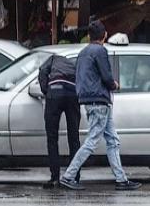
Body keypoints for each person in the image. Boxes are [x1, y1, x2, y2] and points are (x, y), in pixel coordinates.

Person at [58, 21, 141, 191]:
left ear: (89, 36)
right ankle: (68, 175)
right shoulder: (100, 51)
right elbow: (106, 76)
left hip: (91, 100)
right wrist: (115, 85)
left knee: (112, 140)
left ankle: (121, 179)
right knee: (93, 141)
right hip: (99, 101)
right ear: (104, 35)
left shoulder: (82, 52)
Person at [38, 53, 81, 188]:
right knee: (74, 138)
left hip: (55, 93)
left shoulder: (53, 58)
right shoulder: (78, 60)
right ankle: (74, 177)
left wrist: (46, 90)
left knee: (52, 138)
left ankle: (55, 178)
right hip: (72, 93)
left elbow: (42, 71)